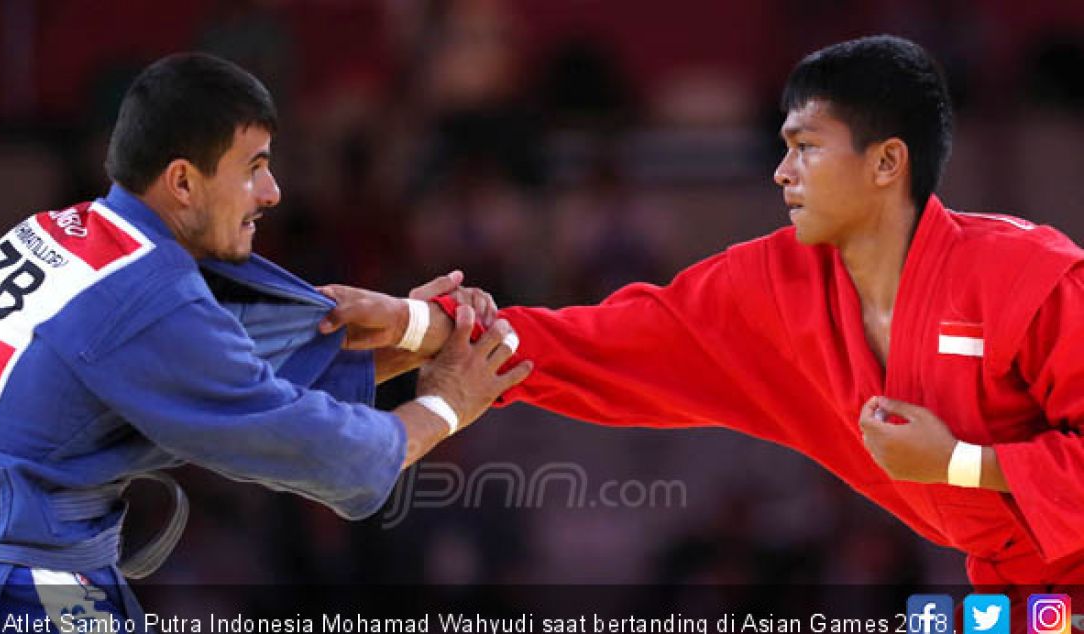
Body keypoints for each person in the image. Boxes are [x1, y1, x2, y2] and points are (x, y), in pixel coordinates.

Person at [328, 35, 1084, 610]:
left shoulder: (1033, 277)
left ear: (888, 164)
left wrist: (957, 463)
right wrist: (414, 322)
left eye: (806, 150)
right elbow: (590, 346)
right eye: (783, 149)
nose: (782, 174)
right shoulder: (767, 286)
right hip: (1009, 596)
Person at [0, 52, 530, 627]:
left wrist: (414, 334)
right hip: (15, 567)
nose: (270, 192)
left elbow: (235, 381)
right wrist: (447, 405)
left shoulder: (61, 232)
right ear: (183, 181)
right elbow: (317, 450)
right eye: (254, 168)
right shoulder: (148, 300)